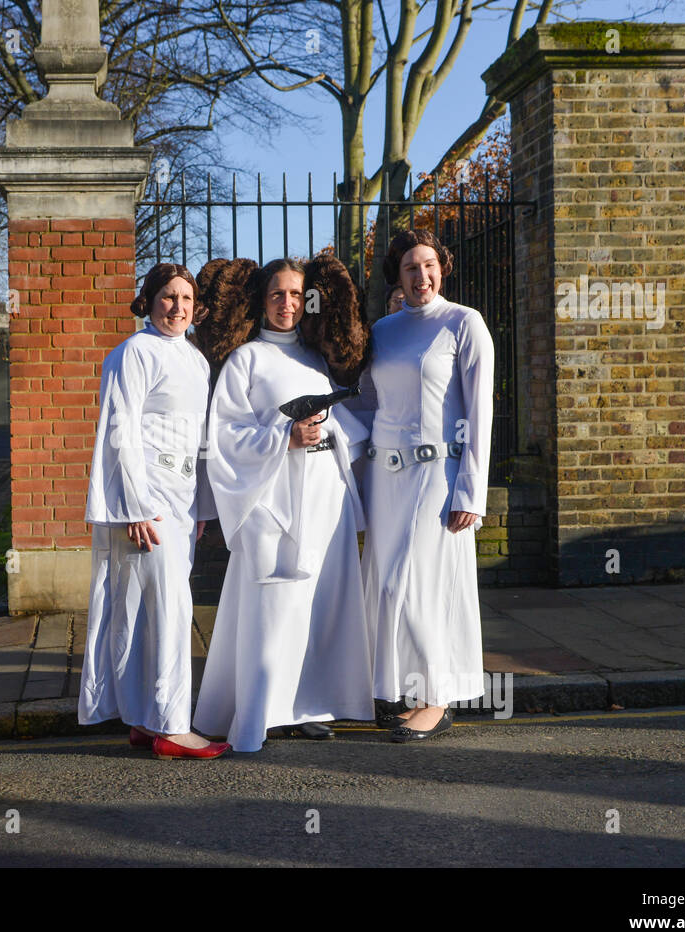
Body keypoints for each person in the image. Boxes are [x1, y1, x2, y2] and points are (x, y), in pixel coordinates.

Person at [193, 256, 374, 752]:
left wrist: (326, 428)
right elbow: (225, 436)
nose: (288, 304)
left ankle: (307, 704)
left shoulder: (316, 359)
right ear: (262, 299)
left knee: (317, 604)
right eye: (278, 295)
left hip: (321, 496)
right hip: (270, 502)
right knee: (271, 606)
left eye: (297, 295)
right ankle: (261, 710)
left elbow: (345, 422)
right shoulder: (245, 360)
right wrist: (284, 435)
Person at [80, 263, 231, 760]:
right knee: (167, 610)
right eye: (168, 297)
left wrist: (202, 504)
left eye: (186, 299)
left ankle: (147, 718)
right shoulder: (133, 353)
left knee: (156, 608)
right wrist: (134, 507)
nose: (178, 307)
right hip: (148, 502)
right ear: (148, 301)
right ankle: (171, 725)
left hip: (182, 500)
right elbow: (119, 433)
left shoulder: (195, 359)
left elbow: (200, 439)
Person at [361, 229, 494, 742]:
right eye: (411, 268)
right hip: (386, 478)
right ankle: (396, 689)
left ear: (443, 268)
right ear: (398, 275)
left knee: (412, 587)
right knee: (383, 588)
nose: (422, 276)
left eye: (430, 265)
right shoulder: (384, 330)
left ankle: (436, 700)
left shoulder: (464, 323)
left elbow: (480, 415)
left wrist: (471, 492)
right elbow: (367, 405)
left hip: (437, 477)